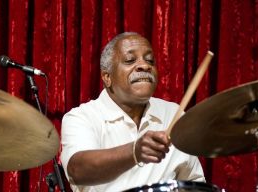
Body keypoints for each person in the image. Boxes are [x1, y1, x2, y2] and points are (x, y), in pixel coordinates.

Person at [60, 32, 205, 191]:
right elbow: (78, 170)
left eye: (150, 60)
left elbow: (194, 182)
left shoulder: (174, 114)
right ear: (107, 77)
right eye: (130, 60)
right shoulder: (81, 117)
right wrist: (135, 151)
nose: (145, 65)